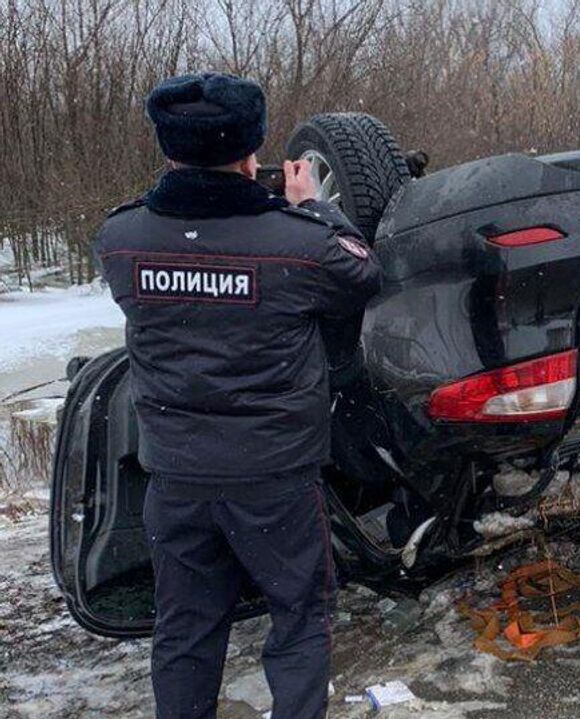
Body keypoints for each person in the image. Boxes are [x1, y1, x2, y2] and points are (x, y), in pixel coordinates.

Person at [93, 73, 383, 718]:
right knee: (300, 617)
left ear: (167, 147)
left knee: (186, 625)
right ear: (253, 153)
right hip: (273, 474)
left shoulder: (120, 239)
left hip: (177, 472)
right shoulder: (301, 244)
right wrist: (315, 206)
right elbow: (362, 271)